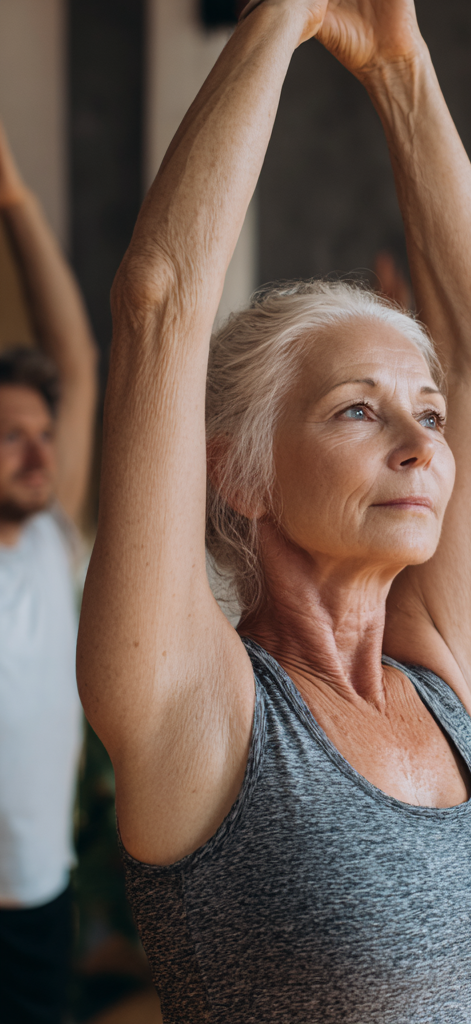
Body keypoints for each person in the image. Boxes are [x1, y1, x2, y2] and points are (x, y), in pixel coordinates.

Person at [77, 0, 471, 1020]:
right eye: (355, 410)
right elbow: (159, 301)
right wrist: (279, 15)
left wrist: (399, 65)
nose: (422, 441)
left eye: (426, 415)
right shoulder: (199, 711)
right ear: (241, 475)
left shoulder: (442, 685)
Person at [0, 120, 98, 1022]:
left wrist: (15, 201)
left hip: (39, 898)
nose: (39, 455)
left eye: (45, 434)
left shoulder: (49, 539)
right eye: (11, 438)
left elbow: (76, 361)